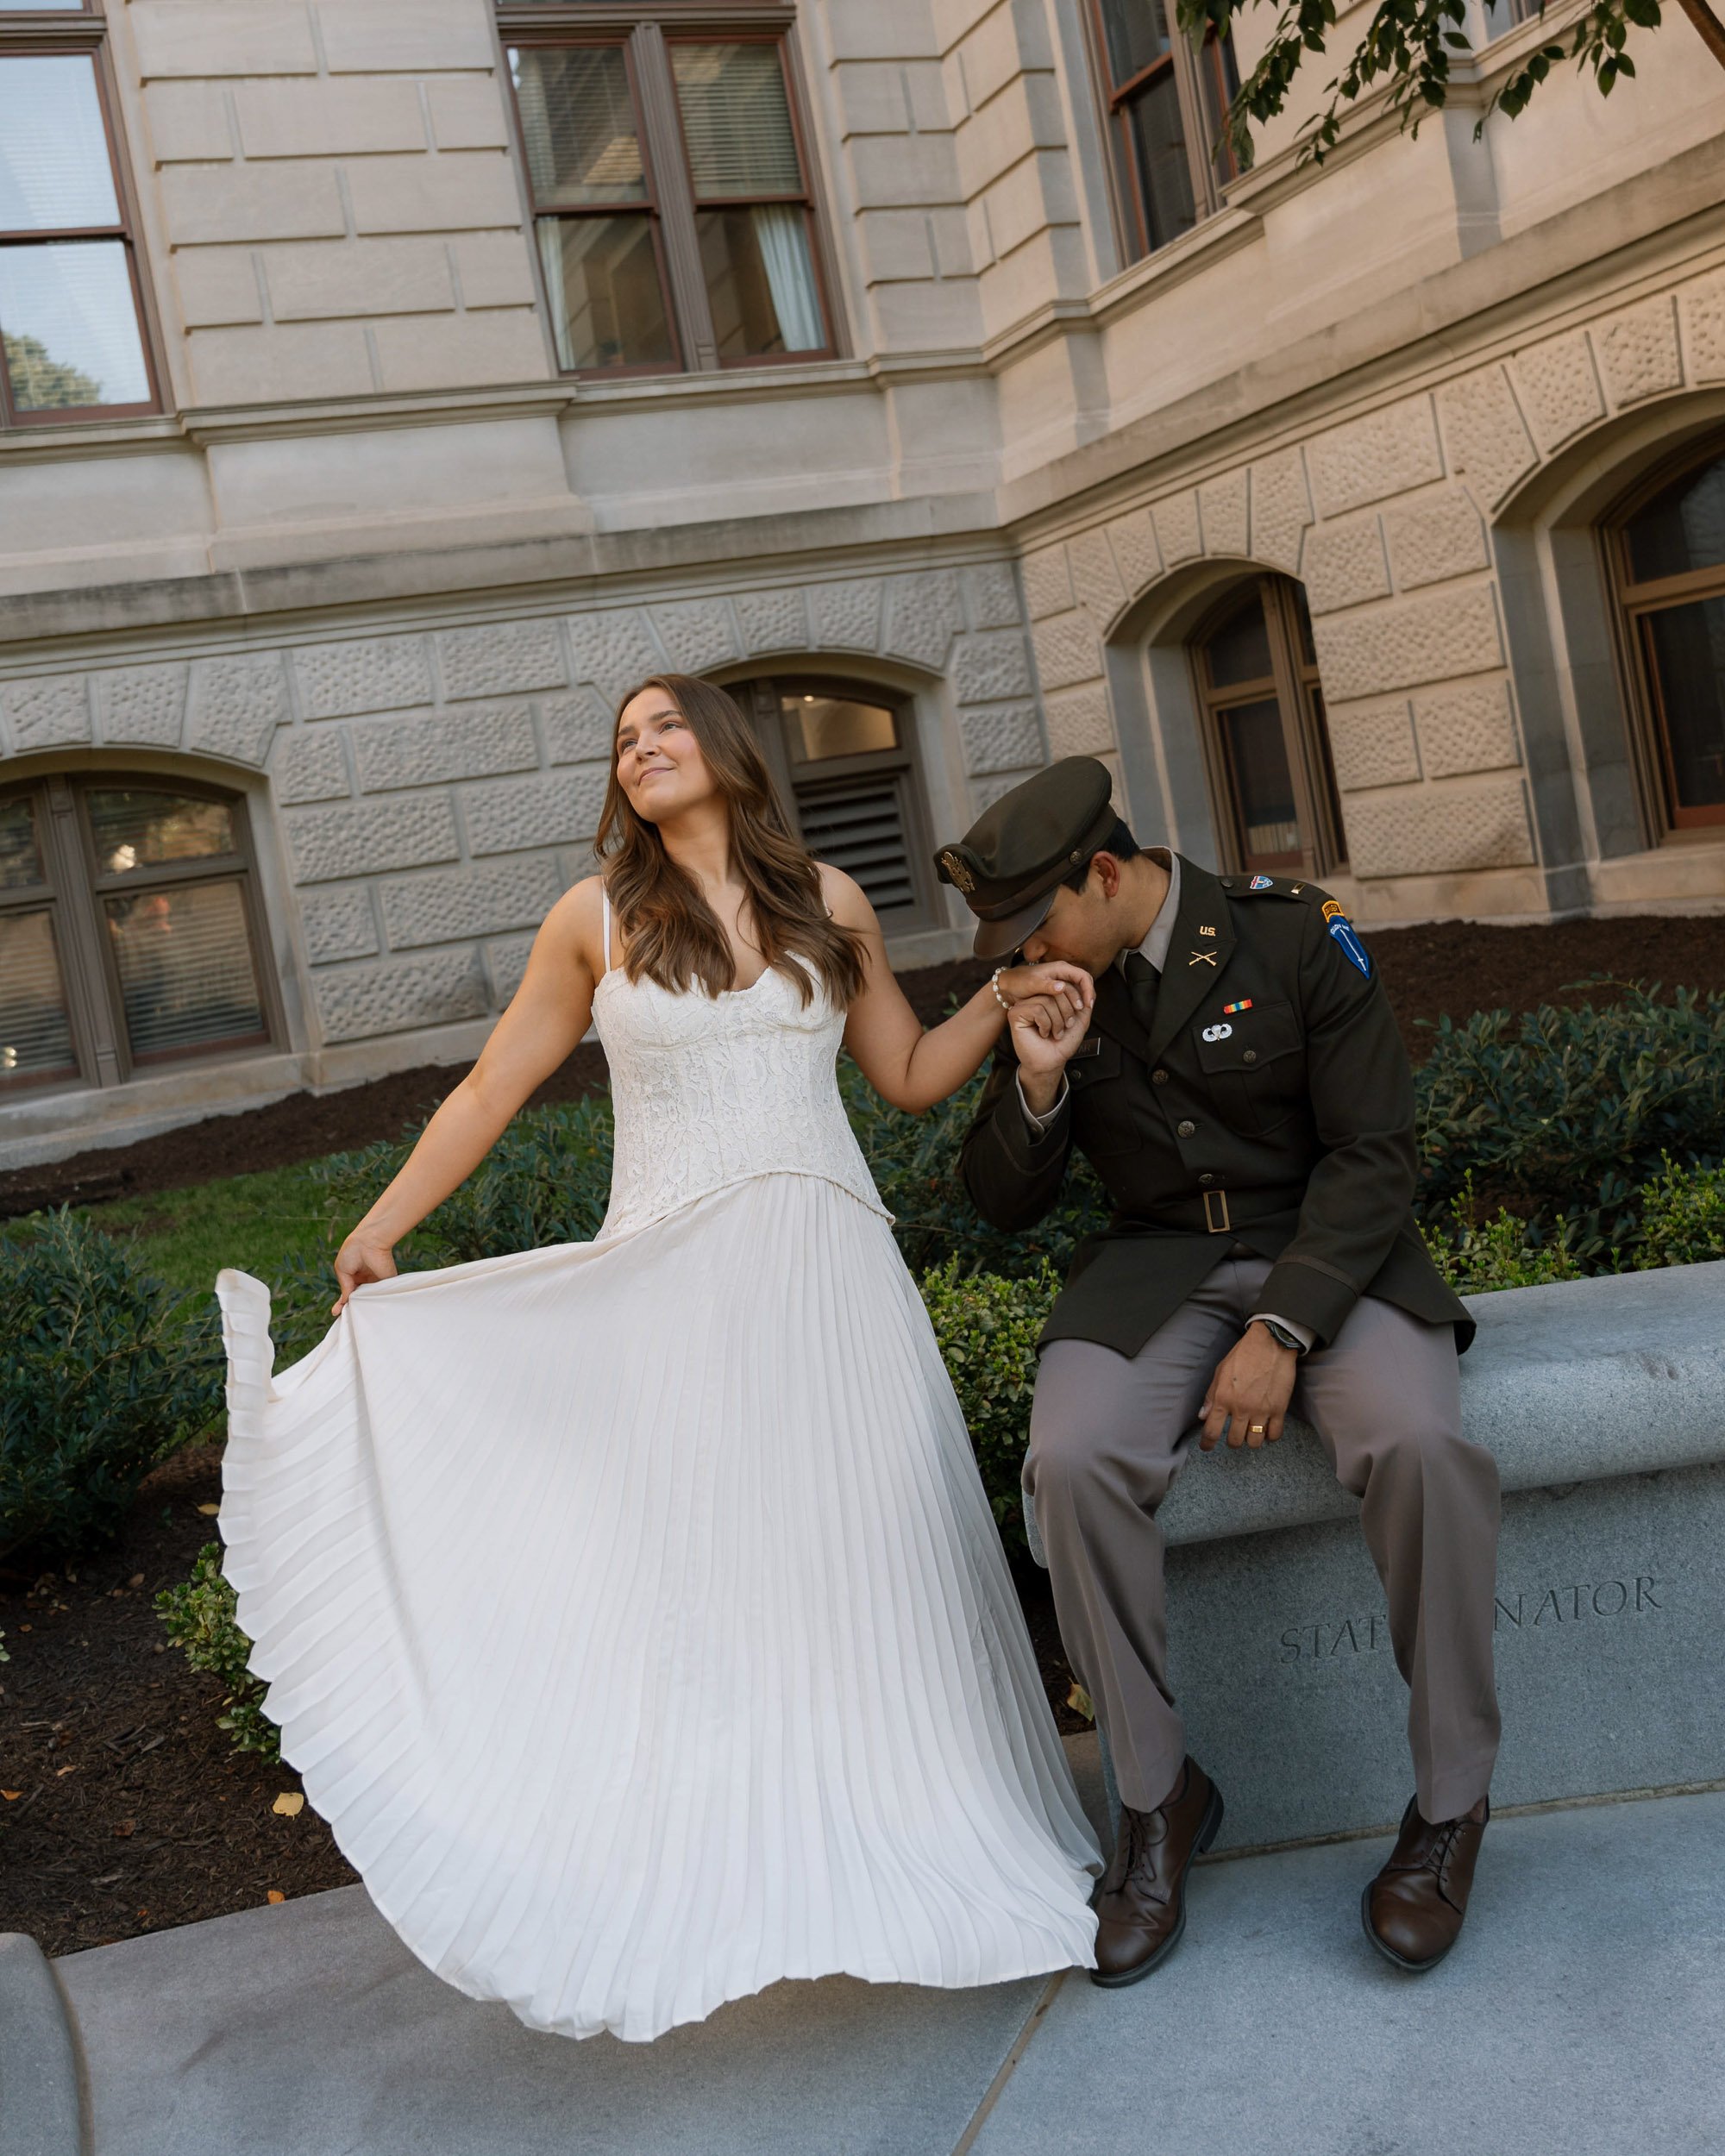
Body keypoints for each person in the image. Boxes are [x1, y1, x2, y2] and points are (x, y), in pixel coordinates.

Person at [216, 676, 1103, 2045]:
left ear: (728, 750)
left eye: (664, 727)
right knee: (712, 1577)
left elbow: (911, 1076)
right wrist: (385, 1224)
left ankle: (898, 1844)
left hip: (830, 1281)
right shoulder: (597, 918)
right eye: (625, 742)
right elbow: (491, 1083)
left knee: (859, 1562)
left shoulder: (833, 903)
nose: (641, 751)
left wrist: (1005, 1003)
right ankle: (739, 1874)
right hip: (674, 1291)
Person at [938, 756, 1502, 1986]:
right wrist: (1035, 1084)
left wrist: (1286, 1330)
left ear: (1102, 873)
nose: (1022, 962)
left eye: (1034, 928)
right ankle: (1155, 1802)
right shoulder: (1054, 987)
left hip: (1330, 1259)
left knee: (1420, 1449)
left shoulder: (1290, 934)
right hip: (1153, 1274)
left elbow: (1375, 1154)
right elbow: (997, 1204)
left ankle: (1451, 1806)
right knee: (1072, 1465)